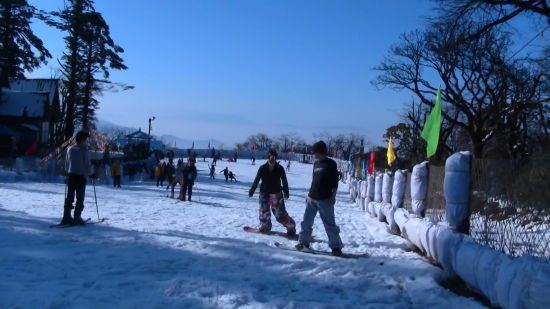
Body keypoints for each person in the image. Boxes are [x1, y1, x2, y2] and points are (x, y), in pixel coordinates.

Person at [296, 141, 343, 256]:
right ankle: (303, 242)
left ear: (320, 151)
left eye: (314, 152)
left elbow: (335, 182)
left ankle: (336, 247)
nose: (313, 154)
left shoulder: (331, 164)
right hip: (312, 197)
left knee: (329, 224)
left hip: (325, 199)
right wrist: (308, 195)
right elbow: (314, 181)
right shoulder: (316, 164)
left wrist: (333, 196)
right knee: (306, 222)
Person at [248, 150, 296, 236]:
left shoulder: (280, 168)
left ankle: (291, 226)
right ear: (267, 157)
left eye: (273, 157)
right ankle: (265, 226)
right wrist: (252, 190)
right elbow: (257, 179)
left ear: (276, 158)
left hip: (276, 194)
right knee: (264, 214)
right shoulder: (262, 168)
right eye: (270, 157)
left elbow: (284, 181)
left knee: (280, 215)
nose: (271, 159)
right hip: (264, 194)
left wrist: (286, 192)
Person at [60, 131, 95, 225]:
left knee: (69, 196)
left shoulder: (70, 149)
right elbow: (87, 164)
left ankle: (66, 216)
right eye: (86, 139)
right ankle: (77, 217)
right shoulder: (84, 150)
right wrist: (91, 173)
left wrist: (66, 172)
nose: (86, 142)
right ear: (83, 139)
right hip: (80, 176)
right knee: (80, 198)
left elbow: (66, 162)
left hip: (71, 175)